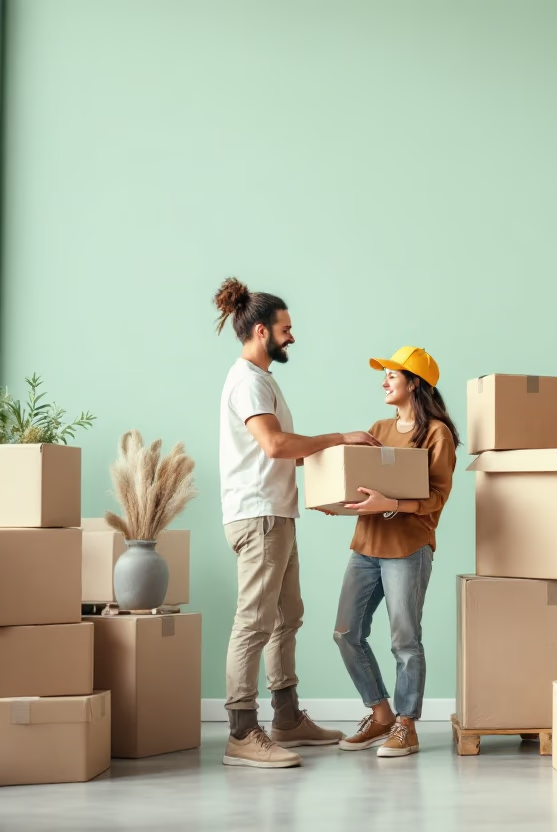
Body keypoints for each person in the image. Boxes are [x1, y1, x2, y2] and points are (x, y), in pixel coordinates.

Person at [214, 278, 381, 769]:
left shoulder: (262, 379)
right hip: (259, 516)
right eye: (286, 329)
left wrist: (340, 467)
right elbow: (275, 446)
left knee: (288, 617)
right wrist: (336, 438)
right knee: (254, 623)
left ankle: (286, 718)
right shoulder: (247, 381)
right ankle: (242, 733)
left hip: (277, 514)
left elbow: (286, 454)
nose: (292, 337)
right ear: (261, 330)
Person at [328, 346, 459, 758]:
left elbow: (437, 497)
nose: (384, 382)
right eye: (384, 375)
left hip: (408, 547)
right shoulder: (378, 429)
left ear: (414, 383)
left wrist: (391, 504)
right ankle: (381, 714)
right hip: (366, 545)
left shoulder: (436, 434)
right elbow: (359, 482)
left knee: (405, 640)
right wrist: (337, 501)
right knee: (346, 633)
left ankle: (406, 724)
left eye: (392, 375)